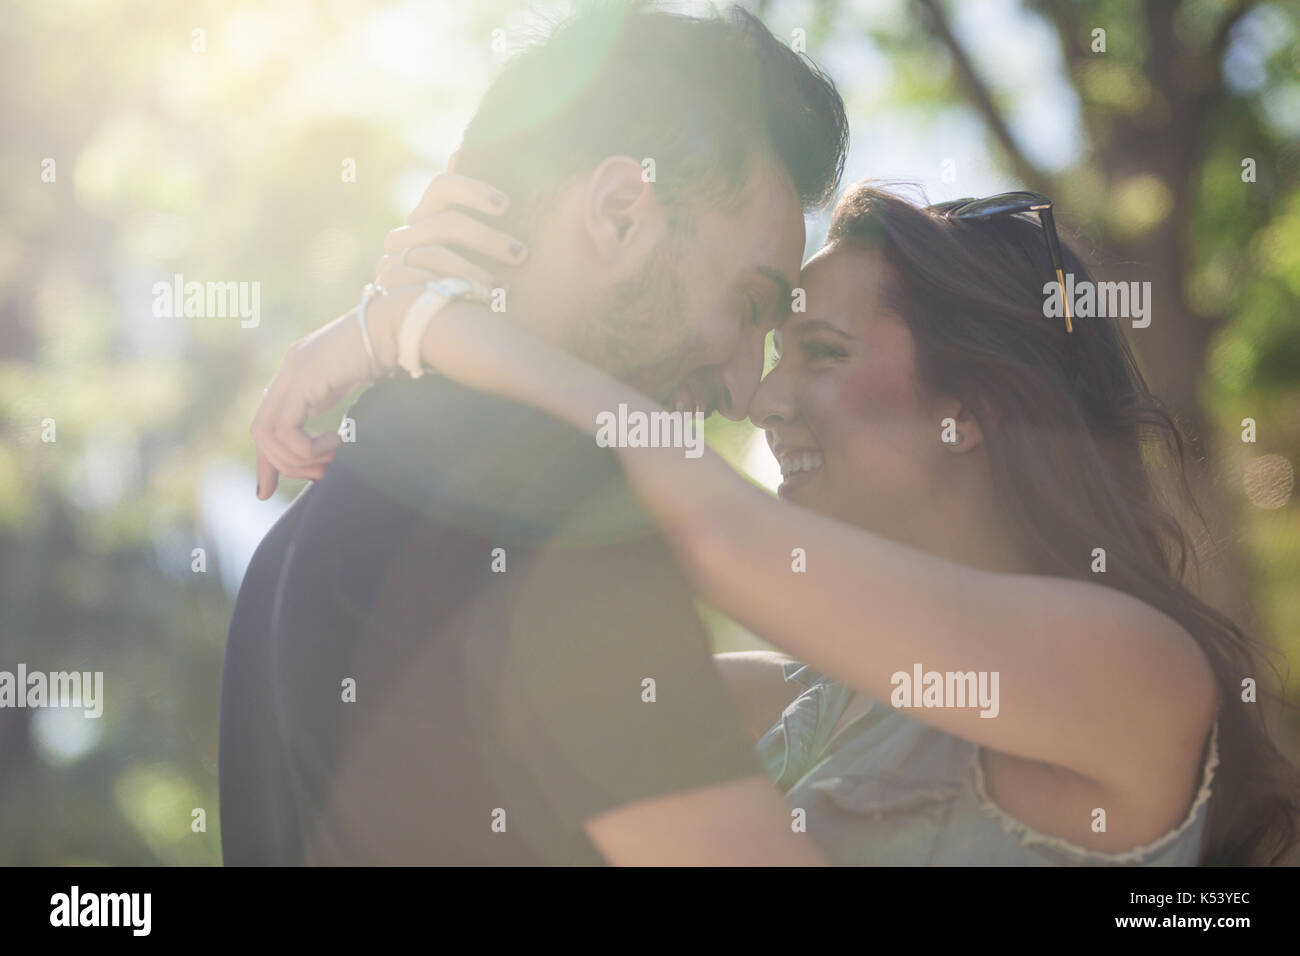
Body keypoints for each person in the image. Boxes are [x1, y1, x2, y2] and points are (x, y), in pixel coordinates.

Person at [255, 180, 1300, 866]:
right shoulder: (802, 703)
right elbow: (538, 608)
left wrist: (422, 326)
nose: (760, 400)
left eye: (823, 352)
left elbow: (714, 531)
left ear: (971, 409)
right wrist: (488, 320)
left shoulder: (1135, 670)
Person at [219, 1, 848, 865]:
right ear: (621, 212)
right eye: (749, 306)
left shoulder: (292, 542)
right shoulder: (548, 497)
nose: (745, 387)